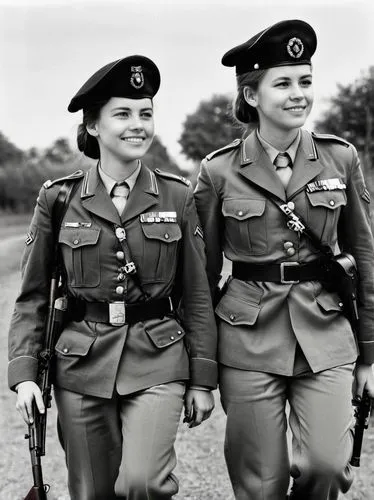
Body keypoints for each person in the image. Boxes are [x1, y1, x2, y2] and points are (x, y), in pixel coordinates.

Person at [8, 55, 217, 500]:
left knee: (143, 482)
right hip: (81, 362)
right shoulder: (59, 199)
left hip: (158, 354)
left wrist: (202, 379)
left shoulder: (177, 195)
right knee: (92, 492)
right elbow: (32, 298)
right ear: (93, 126)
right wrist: (26, 372)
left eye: (145, 113)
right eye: (122, 114)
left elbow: (197, 296)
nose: (137, 124)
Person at [194, 19, 374, 500]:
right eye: (284, 83)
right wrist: (201, 368)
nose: (298, 94)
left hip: (327, 331)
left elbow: (365, 258)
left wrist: (370, 355)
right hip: (247, 338)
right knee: (261, 481)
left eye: (306, 81)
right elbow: (202, 278)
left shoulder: (340, 159)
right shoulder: (218, 171)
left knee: (327, 467)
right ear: (252, 96)